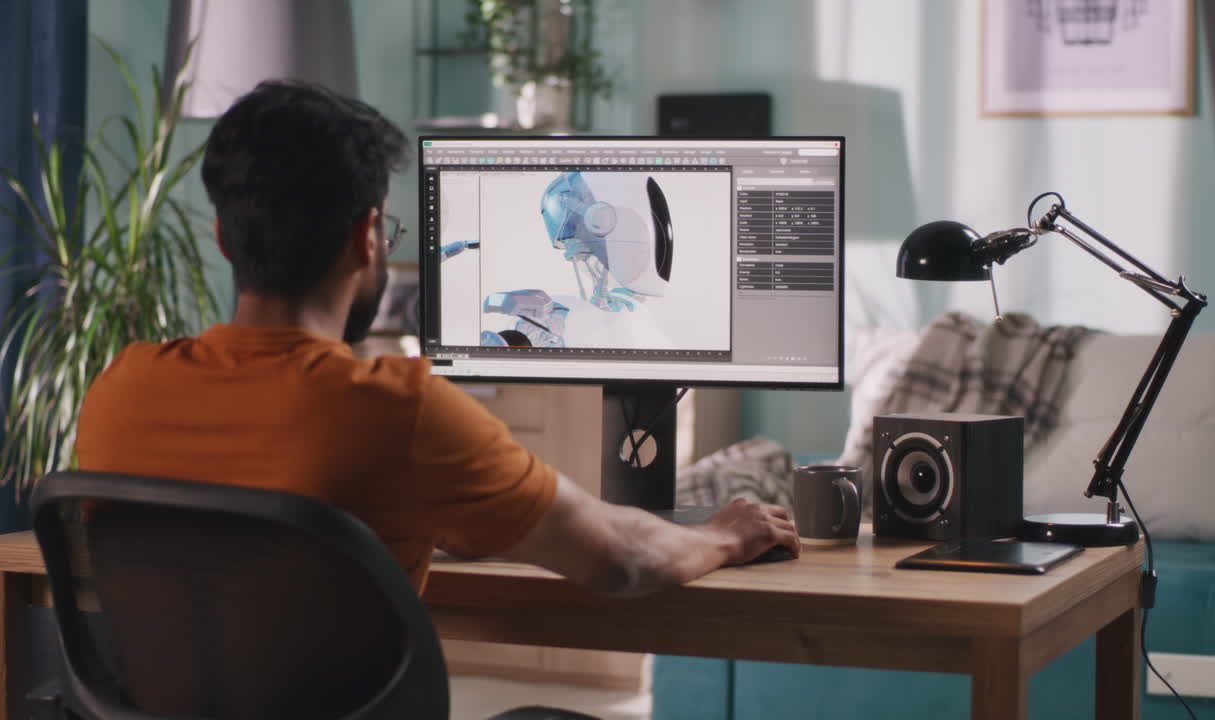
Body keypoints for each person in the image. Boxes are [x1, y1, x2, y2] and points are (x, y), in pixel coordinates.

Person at [75, 80, 799, 598]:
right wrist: (728, 534)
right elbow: (620, 560)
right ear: (366, 238)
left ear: (223, 240)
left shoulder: (120, 389)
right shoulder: (398, 411)